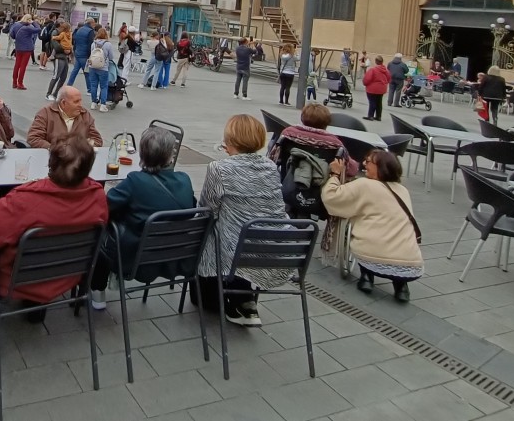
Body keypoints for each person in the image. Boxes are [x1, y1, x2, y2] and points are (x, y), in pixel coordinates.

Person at [0, 130, 109, 331]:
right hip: (66, 270)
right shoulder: (97, 197)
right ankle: (35, 309)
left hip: (15, 274)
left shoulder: (27, 199)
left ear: (51, 163)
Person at [195, 115, 288, 326]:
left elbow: (207, 211)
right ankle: (244, 300)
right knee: (237, 230)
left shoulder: (219, 168)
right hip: (270, 247)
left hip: (235, 250)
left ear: (231, 140)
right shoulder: (270, 166)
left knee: (211, 230)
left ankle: (225, 299)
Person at [89, 127, 195, 309]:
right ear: (170, 156)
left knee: (98, 230)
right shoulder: (185, 180)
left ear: (142, 154)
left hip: (137, 259)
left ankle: (97, 291)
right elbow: (191, 209)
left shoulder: (135, 181)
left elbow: (104, 208)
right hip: (177, 257)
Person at [324, 150, 422, 302]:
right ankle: (401, 287)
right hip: (411, 265)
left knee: (369, 236)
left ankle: (367, 277)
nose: (364, 164)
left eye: (368, 161)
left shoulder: (364, 184)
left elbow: (332, 197)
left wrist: (335, 174)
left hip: (372, 258)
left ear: (380, 167)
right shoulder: (403, 191)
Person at [27, 86, 103, 149]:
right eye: (76, 102)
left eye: (80, 101)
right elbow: (34, 138)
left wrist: (82, 148)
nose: (80, 105)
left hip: (79, 159)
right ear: (63, 103)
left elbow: (97, 140)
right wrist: (54, 149)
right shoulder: (45, 113)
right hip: (53, 158)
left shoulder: (85, 114)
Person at [278, 102, 344, 153]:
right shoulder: (335, 143)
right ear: (327, 122)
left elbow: (275, 154)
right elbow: (348, 165)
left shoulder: (288, 133)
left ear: (302, 119)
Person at [86, 27, 115, 111]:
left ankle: (93, 103)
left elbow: (91, 54)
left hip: (92, 66)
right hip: (103, 68)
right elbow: (111, 57)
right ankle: (103, 105)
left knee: (93, 85)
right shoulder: (108, 44)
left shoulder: (93, 43)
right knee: (104, 86)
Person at [9, 14, 40, 90]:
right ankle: (20, 83)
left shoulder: (16, 25)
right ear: (29, 19)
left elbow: (12, 34)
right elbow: (38, 29)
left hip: (18, 47)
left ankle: (14, 82)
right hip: (27, 49)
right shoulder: (28, 27)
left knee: (17, 65)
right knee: (23, 66)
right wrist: (33, 22)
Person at [46, 21, 72, 101]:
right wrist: (64, 50)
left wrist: (69, 51)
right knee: (56, 76)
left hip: (65, 57)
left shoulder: (68, 34)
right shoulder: (56, 33)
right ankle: (48, 94)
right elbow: (55, 46)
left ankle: (56, 94)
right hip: (58, 57)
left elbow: (70, 44)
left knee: (63, 77)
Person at [67, 19, 97, 87]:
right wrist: (90, 55)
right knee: (87, 72)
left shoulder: (80, 29)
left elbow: (75, 41)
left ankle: (69, 84)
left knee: (75, 71)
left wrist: (75, 51)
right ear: (91, 23)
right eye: (94, 23)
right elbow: (90, 44)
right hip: (85, 55)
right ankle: (89, 89)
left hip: (78, 53)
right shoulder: (90, 31)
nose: (94, 24)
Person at [362, 55, 391, 121]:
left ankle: (370, 116)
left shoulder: (373, 70)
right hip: (382, 88)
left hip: (372, 89)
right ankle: (378, 116)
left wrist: (365, 83)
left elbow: (367, 79)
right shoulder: (386, 70)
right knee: (379, 102)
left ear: (376, 61)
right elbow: (389, 78)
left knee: (372, 102)